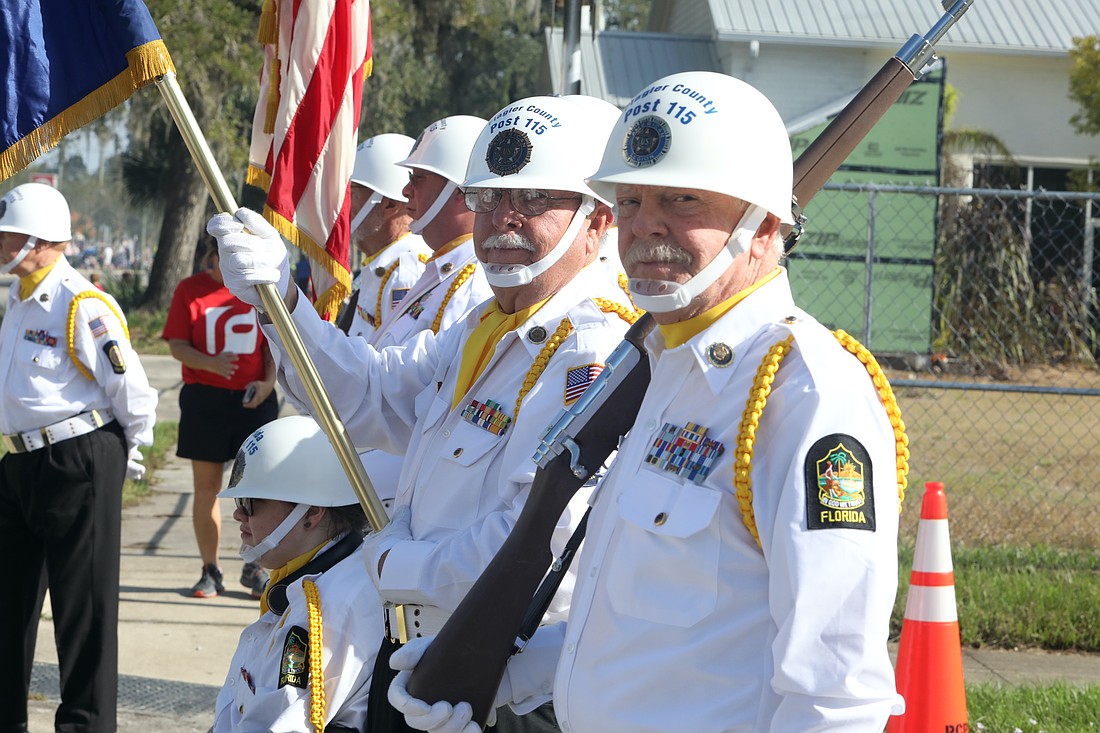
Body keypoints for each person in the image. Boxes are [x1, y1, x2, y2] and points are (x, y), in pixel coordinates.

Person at [389, 71, 909, 732]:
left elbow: (835, 694)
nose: (645, 225)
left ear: (763, 225)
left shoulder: (802, 391)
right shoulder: (660, 365)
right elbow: (648, 617)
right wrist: (509, 674)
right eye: (630, 200)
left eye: (682, 198)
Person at [209, 93, 634, 732]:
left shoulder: (594, 353)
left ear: (598, 222)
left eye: (533, 199)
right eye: (487, 197)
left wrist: (387, 563)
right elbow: (373, 396)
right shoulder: (485, 328)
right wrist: (283, 303)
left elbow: (535, 539)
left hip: (504, 680)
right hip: (420, 654)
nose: (501, 219)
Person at [0, 183, 158, 733]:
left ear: (42, 240)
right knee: (8, 602)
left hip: (77, 460)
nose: (2, 241)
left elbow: (132, 392)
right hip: (20, 463)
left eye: (10, 232)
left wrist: (127, 455)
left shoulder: (81, 303)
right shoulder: (19, 299)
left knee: (83, 612)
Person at [213, 415, 383, 733]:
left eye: (251, 502)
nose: (238, 513)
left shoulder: (325, 614)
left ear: (312, 512)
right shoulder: (312, 581)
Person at [358, 114, 494, 502]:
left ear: (459, 190)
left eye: (418, 178)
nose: (405, 191)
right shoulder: (443, 271)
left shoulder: (474, 283)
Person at [162, 238, 279, 599]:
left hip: (253, 400)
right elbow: (177, 344)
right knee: (206, 489)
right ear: (207, 258)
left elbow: (274, 343)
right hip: (204, 401)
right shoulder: (190, 290)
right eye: (215, 259)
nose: (220, 266)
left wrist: (268, 382)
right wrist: (209, 363)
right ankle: (210, 570)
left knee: (259, 491)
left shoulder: (256, 288)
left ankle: (256, 566)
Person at [335, 133, 431, 340]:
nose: (344, 205)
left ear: (389, 205)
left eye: (353, 192)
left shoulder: (406, 272)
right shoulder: (382, 265)